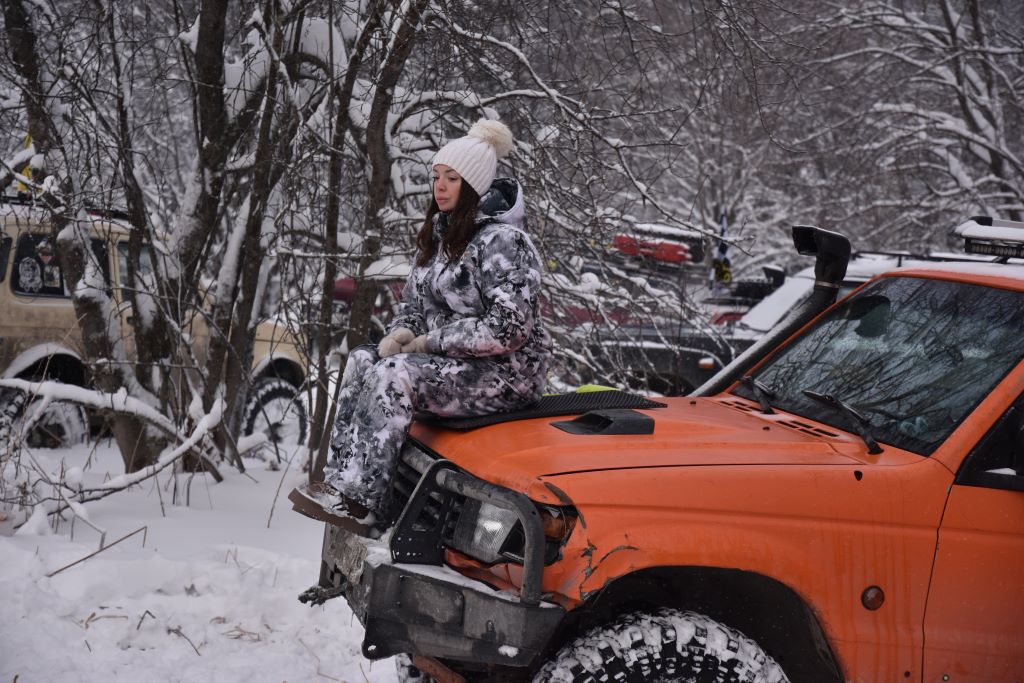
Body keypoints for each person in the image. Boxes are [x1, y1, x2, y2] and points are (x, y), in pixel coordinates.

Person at [289, 119, 551, 534]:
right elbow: (414, 305)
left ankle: (363, 503)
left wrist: (429, 343)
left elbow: (508, 329)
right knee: (361, 360)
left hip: (508, 374)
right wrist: (402, 333)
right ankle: (341, 486)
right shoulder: (441, 236)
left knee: (396, 374)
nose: (440, 186)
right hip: (452, 362)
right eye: (436, 177)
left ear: (474, 185)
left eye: (451, 178)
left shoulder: (504, 242)